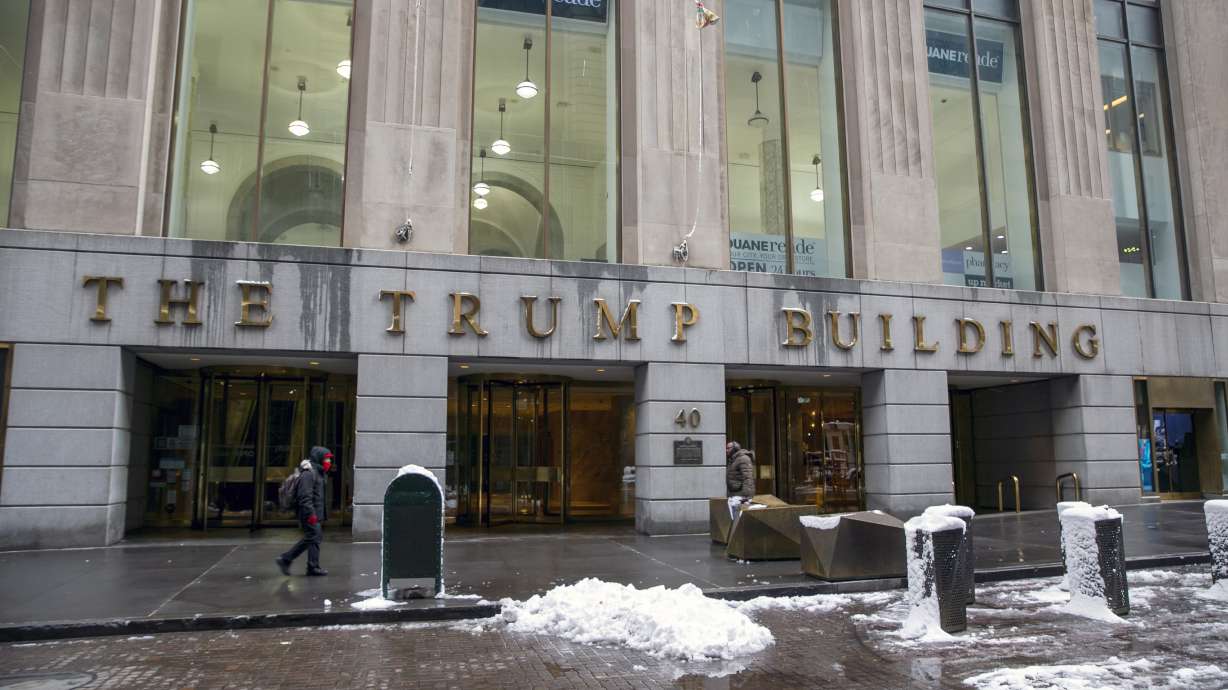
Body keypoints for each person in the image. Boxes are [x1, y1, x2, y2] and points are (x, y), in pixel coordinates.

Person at [276, 446, 333, 576]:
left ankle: (312, 566)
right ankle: (286, 559)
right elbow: (304, 497)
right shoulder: (308, 474)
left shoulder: (319, 472)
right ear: (319, 458)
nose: (329, 462)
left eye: (329, 459)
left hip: (314, 513)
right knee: (313, 536)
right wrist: (311, 515)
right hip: (309, 514)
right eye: (327, 459)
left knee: (314, 537)